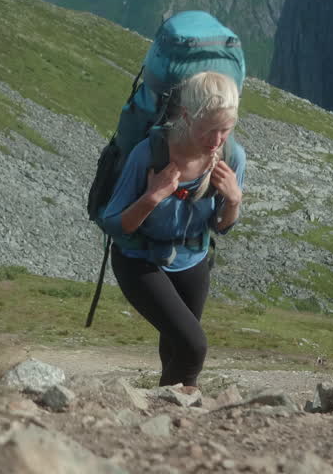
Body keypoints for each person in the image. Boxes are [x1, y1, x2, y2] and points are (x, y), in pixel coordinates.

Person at [100, 71, 246, 391]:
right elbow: (113, 222)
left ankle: (164, 418)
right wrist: (153, 197)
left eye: (226, 130)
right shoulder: (149, 153)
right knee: (194, 347)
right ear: (185, 116)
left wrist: (233, 200)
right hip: (138, 258)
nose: (217, 140)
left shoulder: (232, 158)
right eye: (209, 130)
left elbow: (221, 227)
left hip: (193, 259)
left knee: (176, 348)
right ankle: (179, 412)